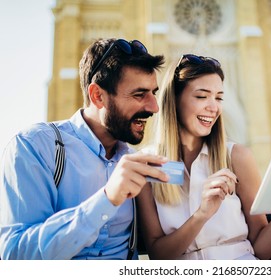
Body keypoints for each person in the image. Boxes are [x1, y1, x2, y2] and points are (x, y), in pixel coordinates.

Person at [0, 38, 169, 260]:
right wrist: (107, 199)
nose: (154, 107)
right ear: (97, 95)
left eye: (153, 93)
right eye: (139, 95)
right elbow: (15, 255)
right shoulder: (35, 146)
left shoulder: (135, 162)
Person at [137, 54, 271, 260]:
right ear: (174, 99)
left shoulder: (237, 156)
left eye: (219, 97)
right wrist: (202, 214)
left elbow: (262, 249)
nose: (214, 107)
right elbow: (158, 255)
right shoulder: (147, 164)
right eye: (202, 96)